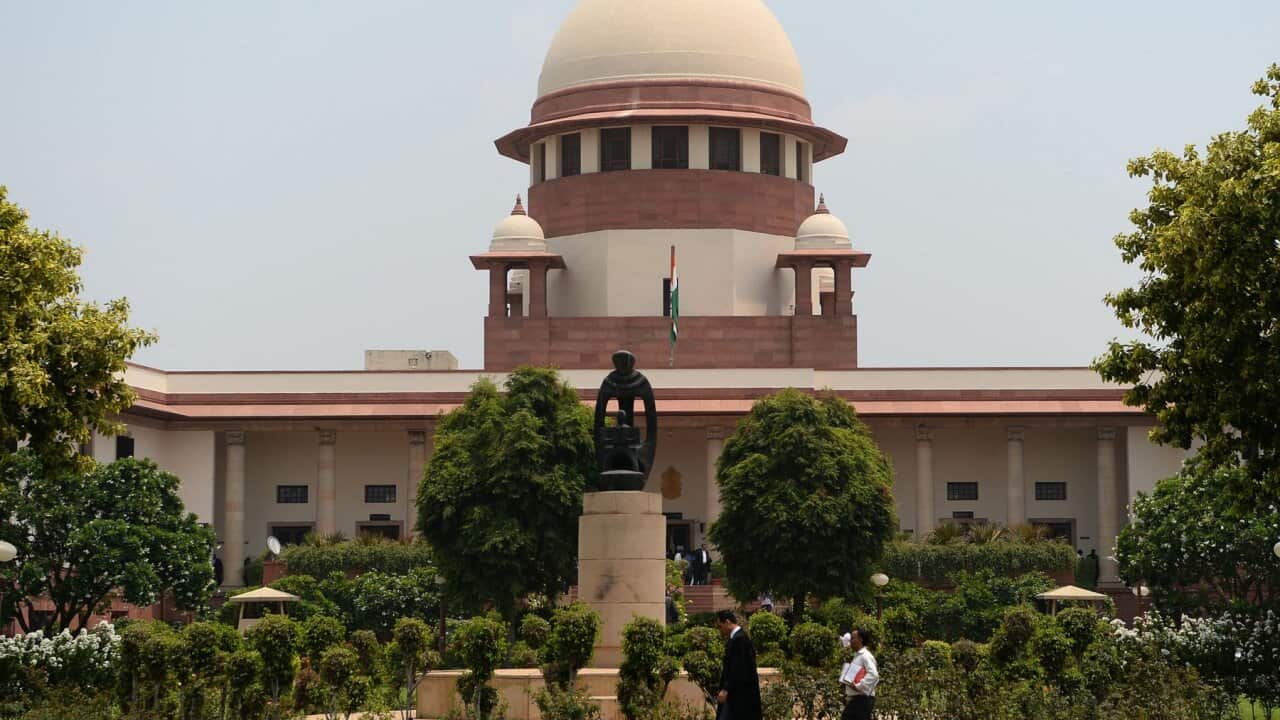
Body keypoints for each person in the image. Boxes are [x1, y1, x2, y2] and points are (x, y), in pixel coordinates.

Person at [716, 610, 761, 720]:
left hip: (739, 696)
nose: (719, 630)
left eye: (720, 626)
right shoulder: (737, 638)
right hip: (735, 696)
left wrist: (726, 689)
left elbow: (738, 668)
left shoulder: (739, 639)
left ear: (727, 622)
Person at [838, 628, 879, 720]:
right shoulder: (858, 656)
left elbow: (874, 675)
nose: (850, 641)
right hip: (857, 700)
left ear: (860, 639)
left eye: (853, 638)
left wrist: (858, 686)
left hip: (862, 700)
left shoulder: (865, 656)